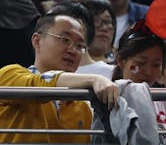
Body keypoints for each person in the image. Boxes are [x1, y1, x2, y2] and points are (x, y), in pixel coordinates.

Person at [0, 13, 119, 143]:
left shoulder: (83, 107)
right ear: (37, 41)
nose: (72, 50)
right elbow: (40, 83)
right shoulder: (9, 74)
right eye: (64, 40)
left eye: (79, 46)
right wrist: (95, 79)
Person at [113, 21, 166, 143]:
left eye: (156, 65)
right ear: (121, 61)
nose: (149, 72)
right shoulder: (109, 97)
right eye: (141, 63)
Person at [75, 0, 116, 78]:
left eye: (108, 22)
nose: (104, 28)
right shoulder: (64, 68)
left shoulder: (120, 70)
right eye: (96, 21)